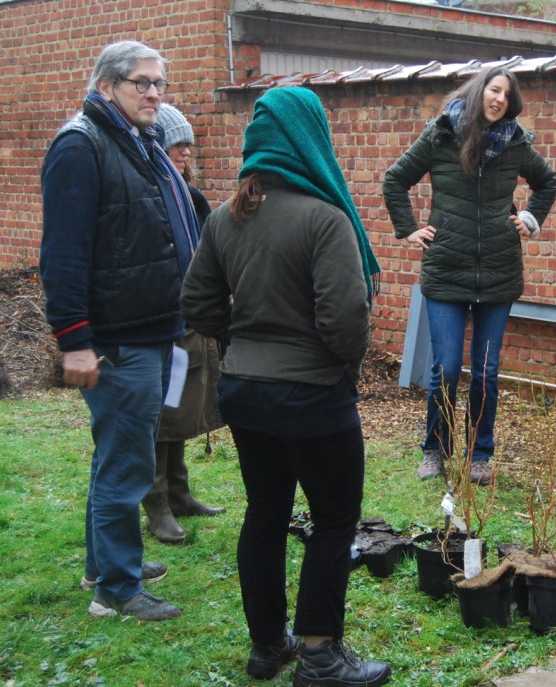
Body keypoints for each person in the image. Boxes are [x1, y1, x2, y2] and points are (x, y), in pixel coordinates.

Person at [181, 87, 390, 686]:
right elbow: (345, 321)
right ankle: (321, 655)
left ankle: (268, 647)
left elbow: (196, 301)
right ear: (310, 138)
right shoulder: (327, 219)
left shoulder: (225, 217)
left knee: (266, 513)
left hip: (245, 392)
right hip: (313, 395)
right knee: (332, 519)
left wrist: (243, 344)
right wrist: (338, 365)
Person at [40, 40, 197, 621]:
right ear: (106, 86)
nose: (155, 93)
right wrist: (75, 340)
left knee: (117, 456)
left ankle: (102, 564)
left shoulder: (137, 142)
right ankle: (117, 590)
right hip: (118, 337)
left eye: (159, 83)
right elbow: (63, 254)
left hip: (152, 328)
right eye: (141, 83)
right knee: (128, 463)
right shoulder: (81, 146)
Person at [383, 66, 556, 485]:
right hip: (446, 272)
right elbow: (395, 179)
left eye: (507, 96)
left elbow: (547, 181)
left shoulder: (515, 143)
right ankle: (435, 450)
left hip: (498, 272)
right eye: (494, 91)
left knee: (485, 370)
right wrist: (409, 228)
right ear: (480, 91)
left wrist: (530, 219)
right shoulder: (441, 135)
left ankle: (480, 453)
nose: (499, 100)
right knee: (446, 367)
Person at [140, 103, 225, 545]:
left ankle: (178, 491)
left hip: (187, 321)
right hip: (157, 322)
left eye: (189, 142)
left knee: (181, 407)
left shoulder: (190, 197)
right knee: (160, 413)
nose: (186, 150)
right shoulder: (148, 194)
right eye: (176, 142)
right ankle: (155, 504)